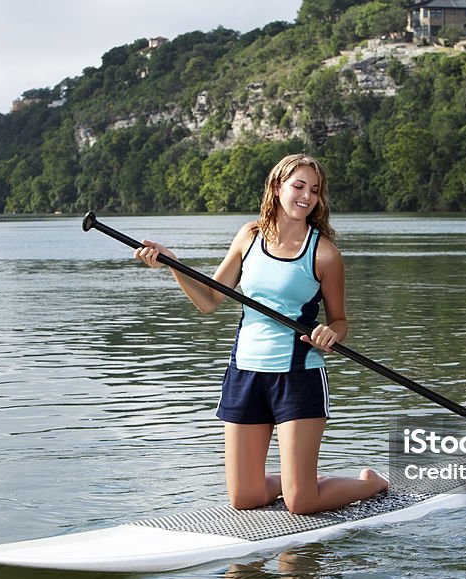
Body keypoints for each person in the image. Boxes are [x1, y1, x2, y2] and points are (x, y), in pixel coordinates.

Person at [133, 153, 388, 514]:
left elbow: (340, 321)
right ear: (276, 186)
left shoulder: (325, 254)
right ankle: (300, 478)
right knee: (245, 498)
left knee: (301, 502)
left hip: (298, 378)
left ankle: (370, 483)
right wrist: (172, 264)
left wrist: (332, 334)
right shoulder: (249, 236)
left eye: (314, 190)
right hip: (245, 374)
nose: (307, 196)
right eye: (298, 186)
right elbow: (209, 300)